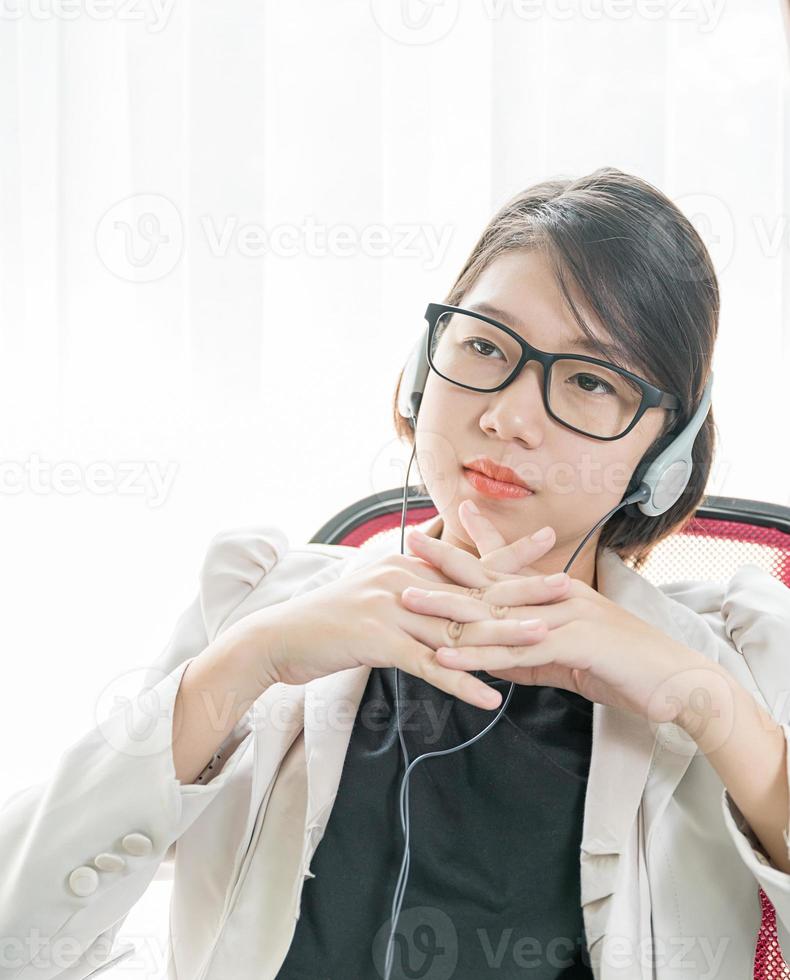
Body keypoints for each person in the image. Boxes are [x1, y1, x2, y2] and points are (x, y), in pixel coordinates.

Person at [2, 166, 790, 980]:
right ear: (424, 367)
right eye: (484, 345)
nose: (507, 416)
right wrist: (243, 666)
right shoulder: (256, 606)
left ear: (663, 454)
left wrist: (717, 713)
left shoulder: (737, 663)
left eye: (591, 380)